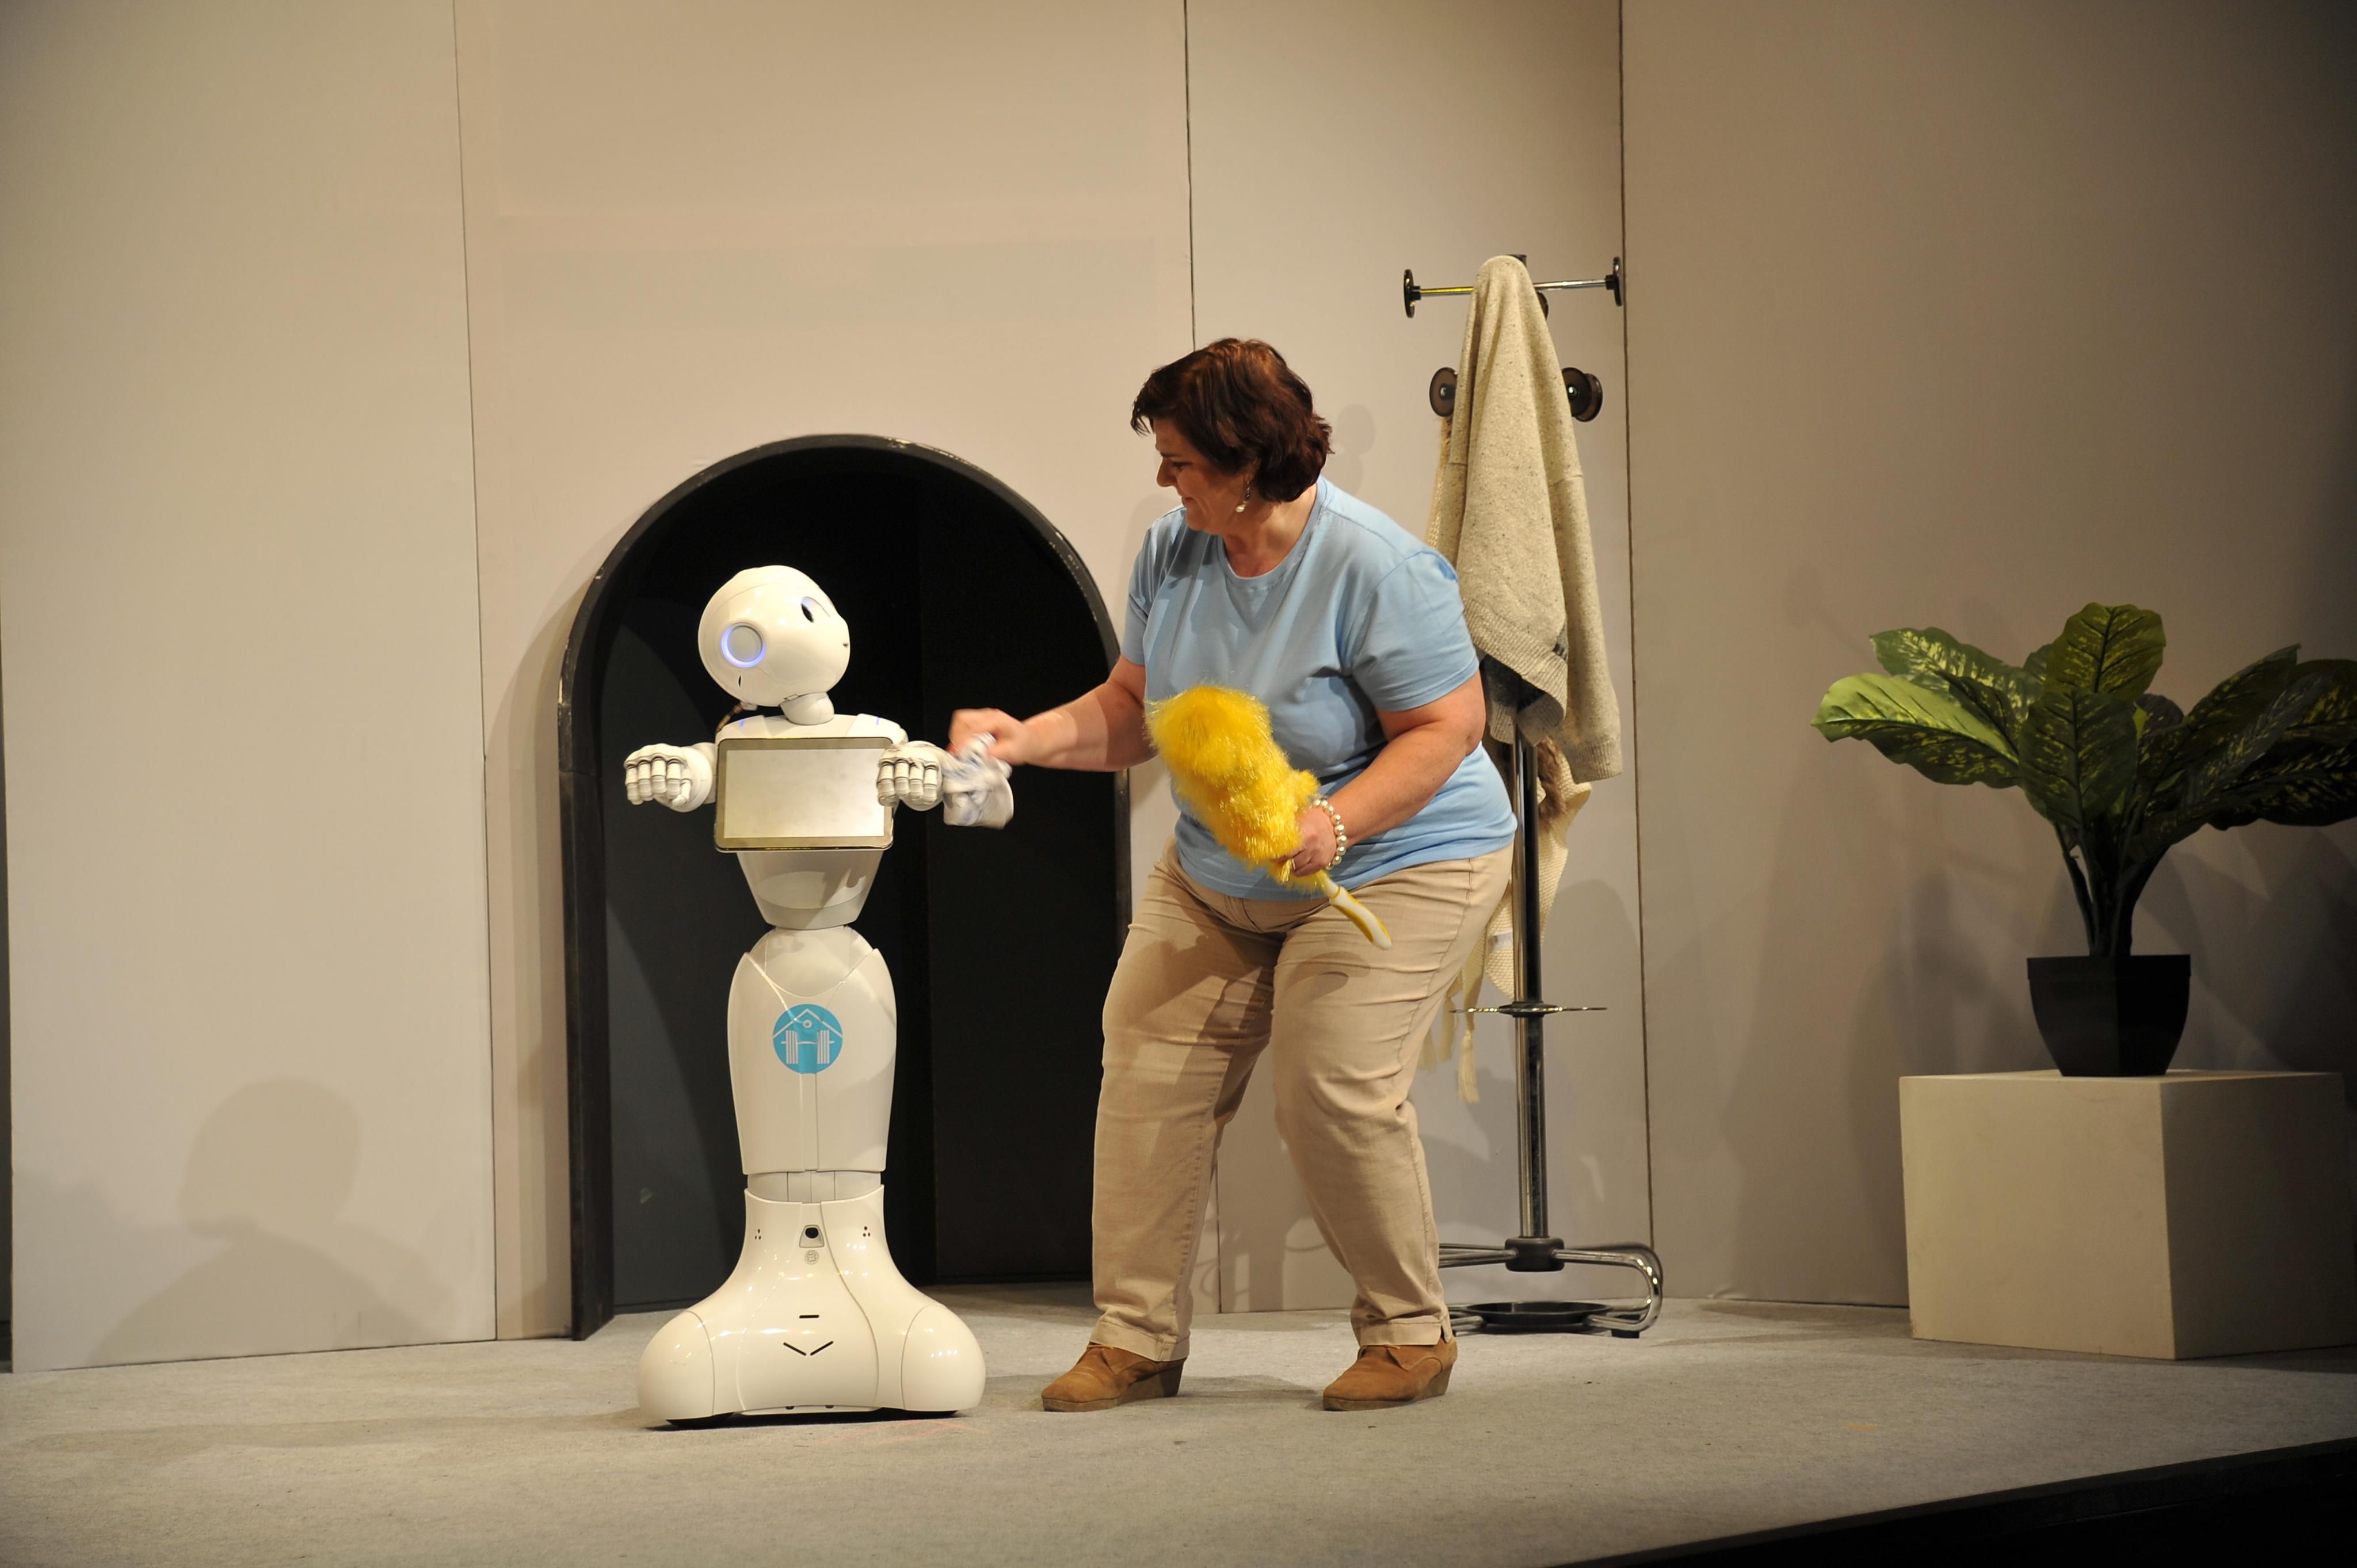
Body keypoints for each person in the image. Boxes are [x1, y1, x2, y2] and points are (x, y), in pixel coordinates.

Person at [948, 339, 1515, 1413]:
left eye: (1182, 462)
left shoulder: (1376, 567)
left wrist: (1335, 819)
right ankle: (1136, 1339)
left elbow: (1448, 727)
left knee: (1330, 1077)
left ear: (1251, 463)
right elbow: (1134, 708)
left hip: (1396, 858)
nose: (1164, 479)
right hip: (1223, 870)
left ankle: (1410, 1332)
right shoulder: (1175, 551)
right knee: (1147, 1067)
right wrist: (1025, 739)